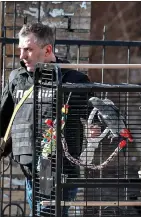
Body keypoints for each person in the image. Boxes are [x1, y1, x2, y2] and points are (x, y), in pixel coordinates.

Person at [0, 22, 91, 216]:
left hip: (57, 170)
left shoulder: (72, 80)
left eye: (28, 50)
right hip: (30, 171)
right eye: (20, 50)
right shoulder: (17, 78)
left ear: (47, 49)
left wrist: (95, 126)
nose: (22, 56)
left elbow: (94, 113)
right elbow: (3, 118)